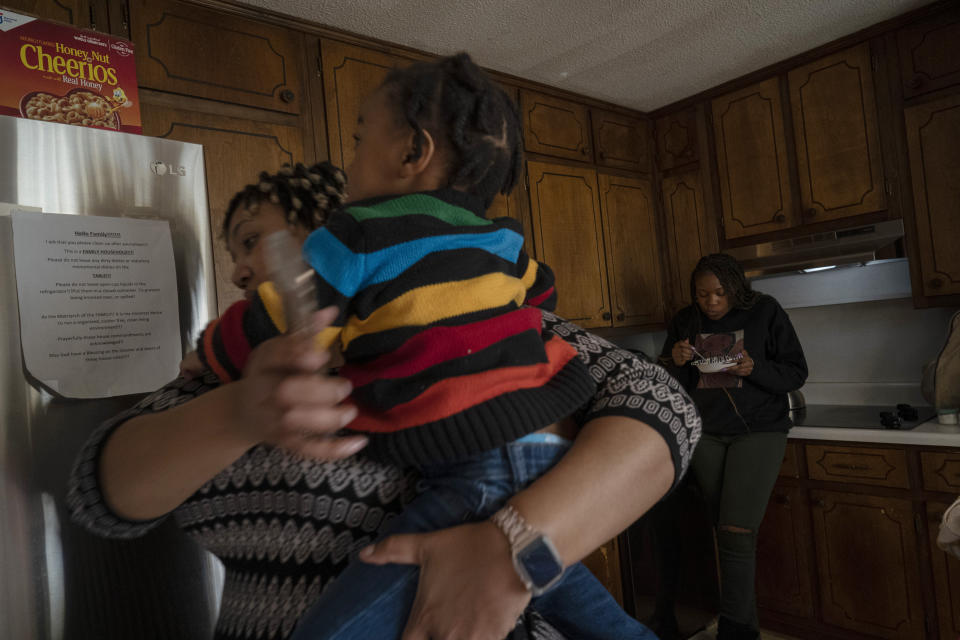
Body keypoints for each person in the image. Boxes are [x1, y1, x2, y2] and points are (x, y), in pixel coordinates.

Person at [68, 164, 702, 639]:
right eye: (233, 249)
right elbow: (103, 494)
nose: (237, 269)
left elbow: (661, 402)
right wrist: (236, 413)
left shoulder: (467, 325)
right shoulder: (222, 372)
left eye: (254, 239)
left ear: (335, 241)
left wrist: (510, 546)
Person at [189, 52, 668, 640]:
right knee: (578, 603)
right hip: (545, 445)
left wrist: (207, 351)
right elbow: (540, 288)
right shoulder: (505, 239)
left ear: (412, 153)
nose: (351, 160)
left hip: (478, 464)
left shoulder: (359, 233)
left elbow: (270, 322)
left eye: (361, 138)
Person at [659, 253, 807, 640]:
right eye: (702, 294)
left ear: (737, 289)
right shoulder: (686, 320)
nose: (711, 303)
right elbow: (669, 380)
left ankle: (734, 631)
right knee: (726, 534)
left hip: (758, 431)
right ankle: (747, 628)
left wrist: (753, 368)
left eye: (720, 294)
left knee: (737, 531)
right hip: (706, 434)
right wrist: (673, 360)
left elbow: (796, 371)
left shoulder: (765, 312)